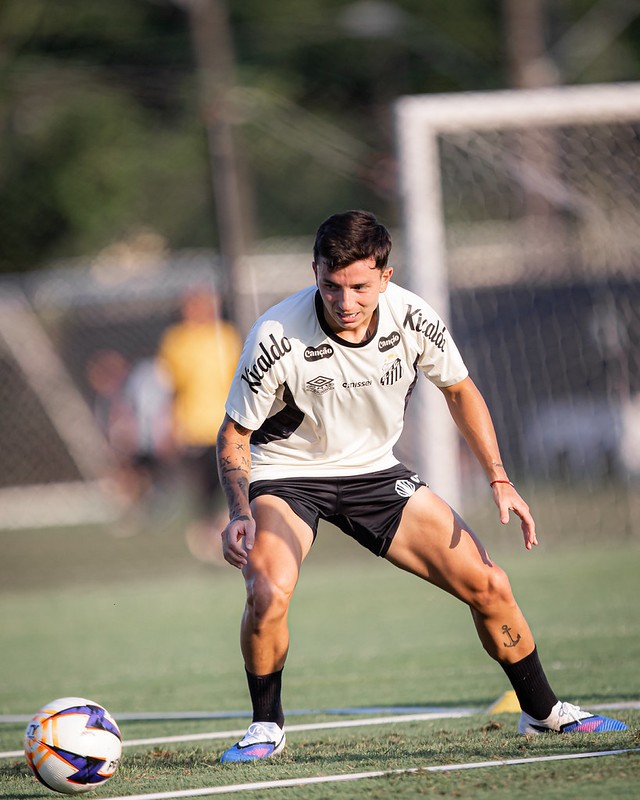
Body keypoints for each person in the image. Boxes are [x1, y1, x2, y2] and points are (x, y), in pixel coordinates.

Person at [215, 210, 626, 762]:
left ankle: (543, 711)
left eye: (360, 287)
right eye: (331, 286)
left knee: (489, 583)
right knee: (266, 591)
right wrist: (239, 512)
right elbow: (234, 436)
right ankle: (266, 727)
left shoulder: (412, 317)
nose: (345, 301)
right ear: (313, 271)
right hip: (289, 475)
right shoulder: (275, 334)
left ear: (385, 277)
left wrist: (499, 479)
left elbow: (460, 391)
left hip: (375, 472)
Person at [158, 284, 243, 561]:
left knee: (232, 480)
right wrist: (169, 424)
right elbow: (170, 387)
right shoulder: (176, 340)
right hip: (193, 425)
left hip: (225, 422)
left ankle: (223, 527)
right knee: (204, 486)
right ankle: (206, 534)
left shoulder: (227, 336)